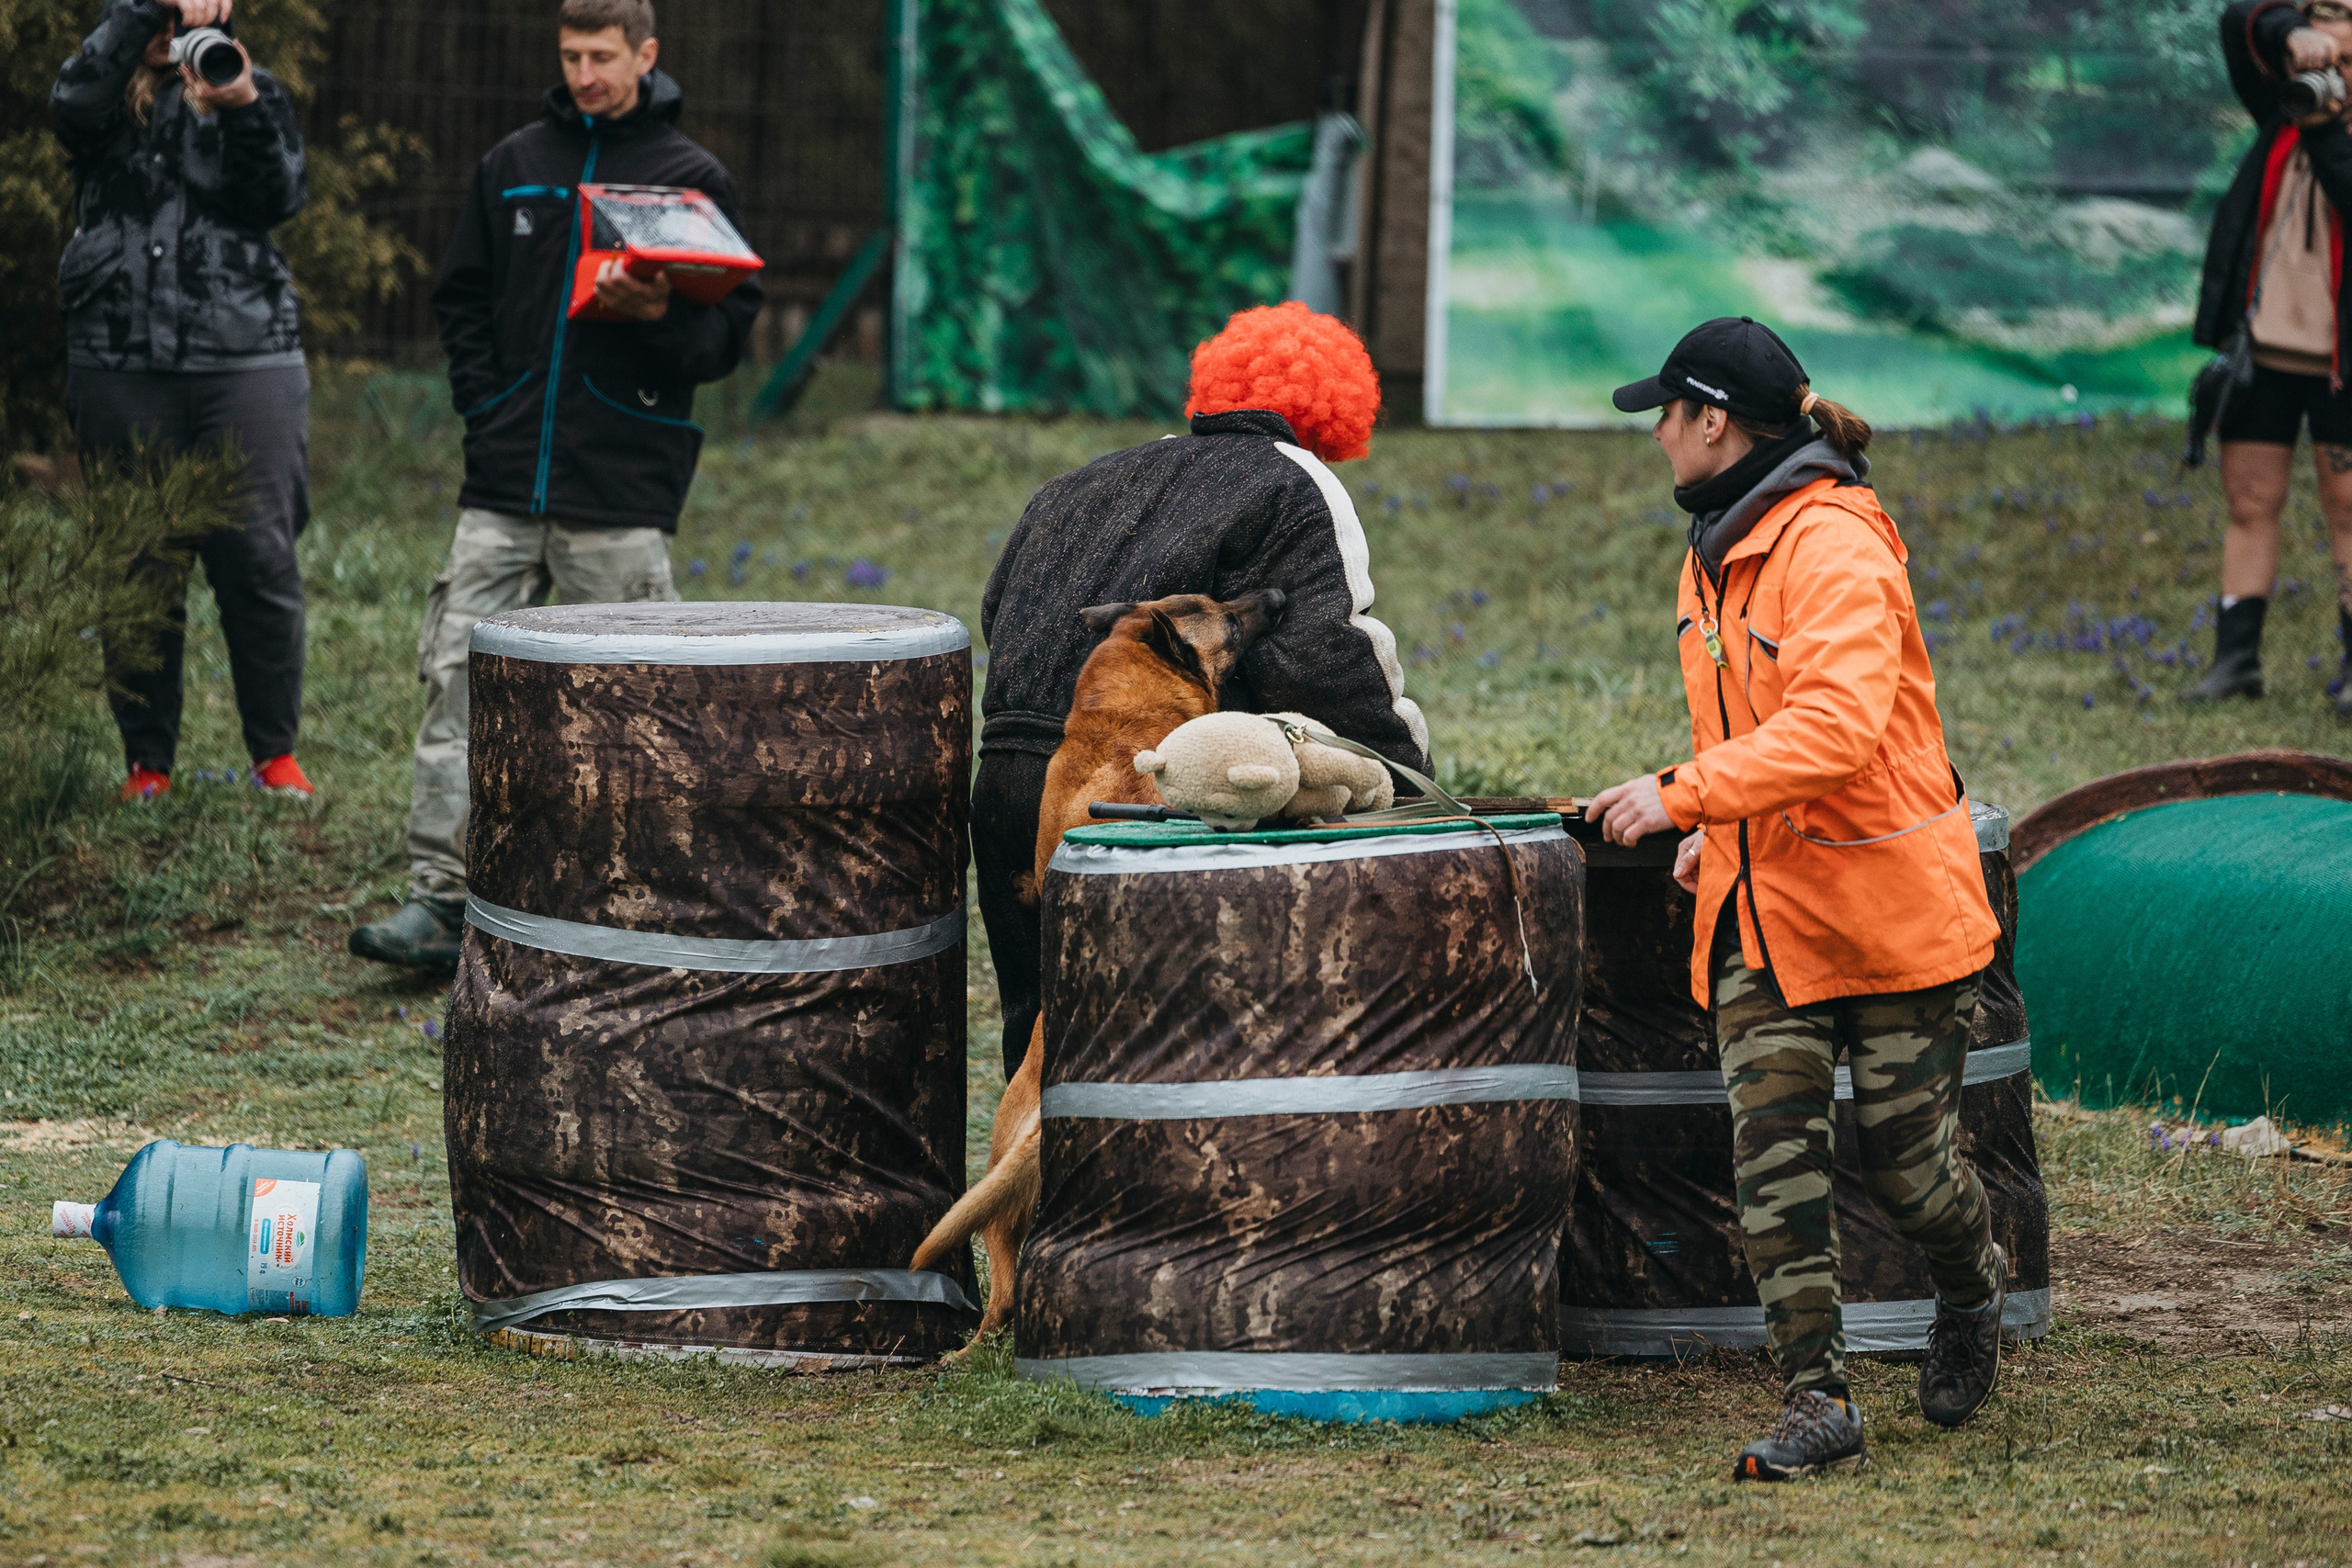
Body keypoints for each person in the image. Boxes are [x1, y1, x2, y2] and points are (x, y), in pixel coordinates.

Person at [1589, 318, 2008, 1482]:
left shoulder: (1835, 544)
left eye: (1664, 414)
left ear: (1711, 422)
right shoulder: (1713, 544)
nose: (1657, 436)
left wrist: (1685, 796)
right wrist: (1712, 823)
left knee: (1908, 1170)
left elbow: (1832, 729)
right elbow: (1747, 725)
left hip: (1888, 909)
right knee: (1773, 1162)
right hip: (1761, 912)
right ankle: (1813, 1397)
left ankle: (1970, 1291)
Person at [348, 0, 762, 969]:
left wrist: (656, 312)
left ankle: (637, 909)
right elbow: (461, 298)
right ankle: (440, 902)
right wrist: (486, 408)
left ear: (646, 55)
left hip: (618, 488)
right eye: (571, 55)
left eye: (603, 56)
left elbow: (721, 343)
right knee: (454, 682)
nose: (585, 74)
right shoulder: (511, 166)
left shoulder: (690, 180)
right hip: (498, 487)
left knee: (635, 701)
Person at [974, 302, 1429, 1077]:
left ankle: (1046, 1202)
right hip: (1138, 790)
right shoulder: (1295, 482)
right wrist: (1410, 781)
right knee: (1158, 1062)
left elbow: (995, 612)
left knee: (1041, 1051)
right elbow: (1328, 656)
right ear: (1332, 421)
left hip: (1012, 782)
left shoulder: (1078, 481)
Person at [51, 0, 316, 801]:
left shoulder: (248, 85)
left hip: (246, 358)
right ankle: (147, 766)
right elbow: (71, 108)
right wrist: (144, 13)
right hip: (120, 359)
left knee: (260, 558)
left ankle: (275, 756)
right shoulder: (103, 93)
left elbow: (278, 197)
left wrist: (241, 110)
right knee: (137, 563)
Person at [2192, 0, 2352, 716]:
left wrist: (2326, 130)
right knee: (2250, 500)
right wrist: (2290, 35)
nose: (2330, 31)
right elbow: (2237, 21)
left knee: (2348, 507)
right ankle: (2235, 661)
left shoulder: (2314, 125)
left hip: (2342, 363)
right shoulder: (2282, 107)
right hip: (2264, 352)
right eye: (2320, 11)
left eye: (2344, 15)